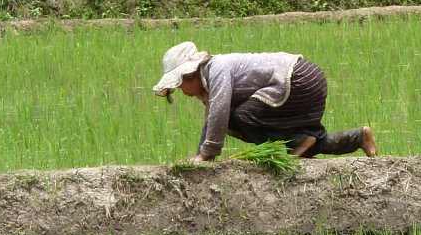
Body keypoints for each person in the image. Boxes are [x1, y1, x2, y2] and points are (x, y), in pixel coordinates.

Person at [152, 41, 377, 163]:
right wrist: (202, 153)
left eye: (180, 85)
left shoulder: (216, 69)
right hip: (307, 79)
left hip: (297, 79)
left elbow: (219, 114)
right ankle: (358, 137)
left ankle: (297, 143)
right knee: (302, 146)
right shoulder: (211, 77)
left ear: (189, 74)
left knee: (239, 117)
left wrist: (206, 154)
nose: (182, 91)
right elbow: (213, 117)